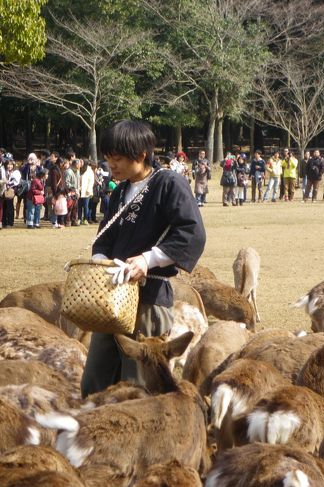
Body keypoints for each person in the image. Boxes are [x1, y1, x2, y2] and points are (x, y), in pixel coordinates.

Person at [82, 119, 205, 397]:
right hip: (112, 301)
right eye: (107, 159)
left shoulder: (169, 183)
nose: (110, 166)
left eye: (117, 159)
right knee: (95, 382)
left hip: (149, 299)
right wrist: (101, 260)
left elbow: (192, 232)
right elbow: (105, 236)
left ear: (140, 156)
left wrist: (147, 260)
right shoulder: (120, 190)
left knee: (138, 387)